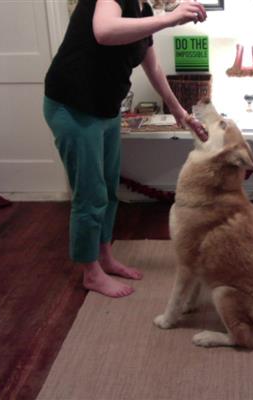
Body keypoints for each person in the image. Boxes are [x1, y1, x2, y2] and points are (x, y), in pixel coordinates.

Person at [43, 0, 207, 298]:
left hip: (105, 109)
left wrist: (179, 111)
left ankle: (104, 256)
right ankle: (91, 272)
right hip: (73, 106)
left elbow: (151, 63)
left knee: (107, 189)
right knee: (89, 194)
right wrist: (169, 19)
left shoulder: (142, 8)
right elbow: (104, 31)